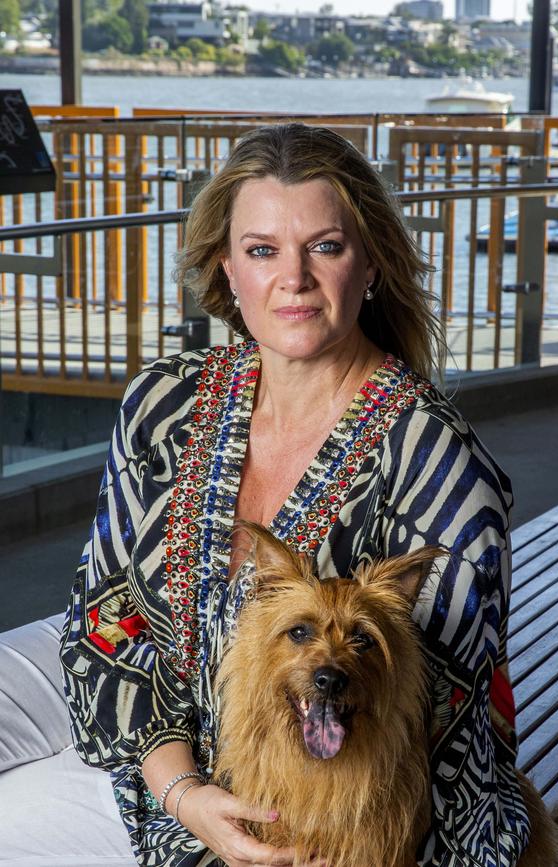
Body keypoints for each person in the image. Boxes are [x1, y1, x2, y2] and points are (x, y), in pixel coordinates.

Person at [60, 123, 530, 867]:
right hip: (175, 796)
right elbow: (100, 625)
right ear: (226, 269)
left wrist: (314, 833)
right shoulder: (162, 404)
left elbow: (445, 718)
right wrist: (186, 794)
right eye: (262, 249)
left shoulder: (436, 460)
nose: (295, 277)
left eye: (326, 245)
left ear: (371, 261)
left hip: (359, 825)